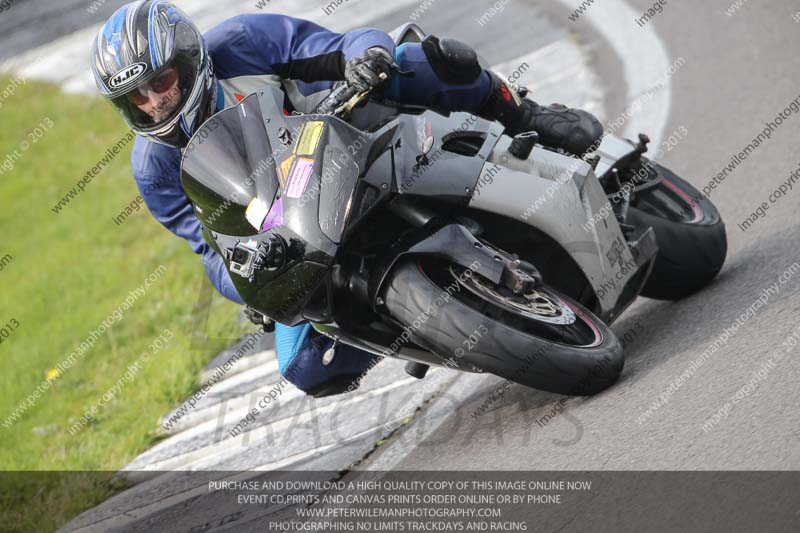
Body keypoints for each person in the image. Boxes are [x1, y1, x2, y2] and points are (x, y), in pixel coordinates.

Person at [91, 0, 603, 396]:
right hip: (299, 227)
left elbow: (344, 43)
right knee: (306, 366)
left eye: (161, 81)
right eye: (137, 97)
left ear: (189, 59)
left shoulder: (242, 42)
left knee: (421, 61)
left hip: (351, 129)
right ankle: (417, 326)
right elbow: (210, 250)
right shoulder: (155, 169)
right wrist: (249, 286)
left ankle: (528, 116)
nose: (155, 101)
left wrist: (366, 59)